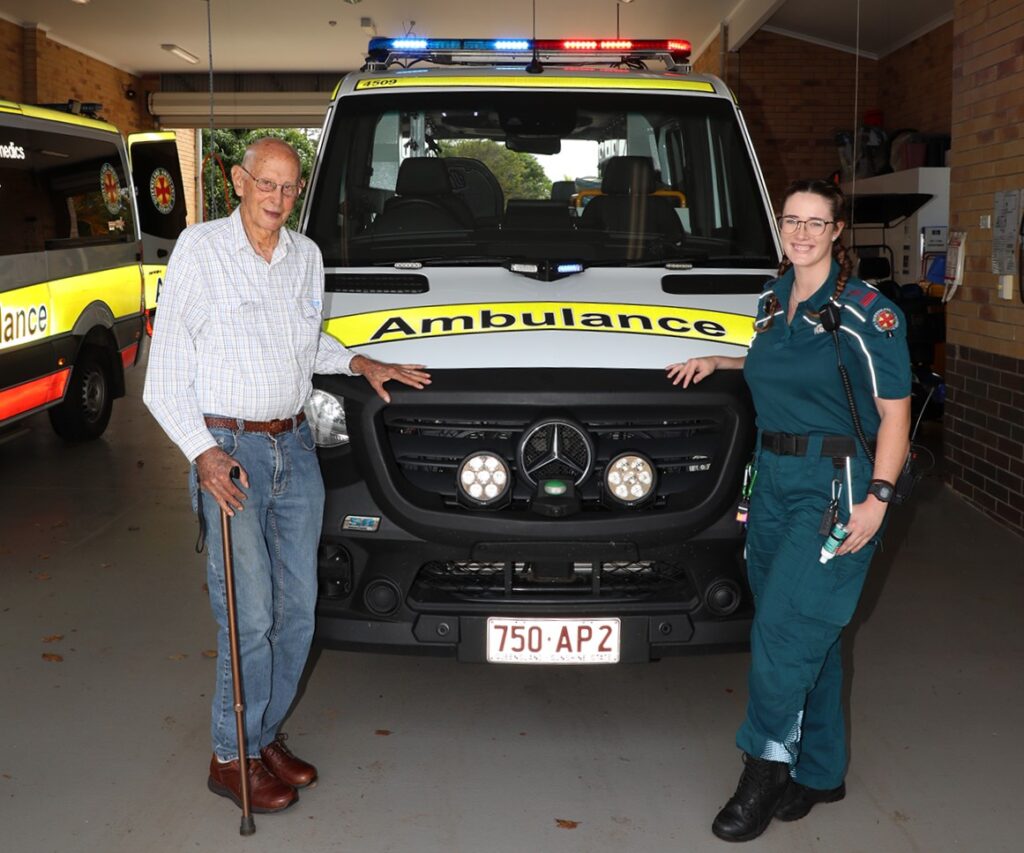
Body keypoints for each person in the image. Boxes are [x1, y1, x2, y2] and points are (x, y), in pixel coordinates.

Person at [144, 137, 430, 814]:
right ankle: (228, 753)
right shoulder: (201, 250)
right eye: (265, 184)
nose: (277, 198)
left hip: (295, 449)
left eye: (289, 187)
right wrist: (201, 452)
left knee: (298, 611)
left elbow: (303, 343)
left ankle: (263, 732)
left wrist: (360, 363)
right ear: (239, 182)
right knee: (248, 616)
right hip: (229, 454)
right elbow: (164, 377)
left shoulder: (306, 258)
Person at [667, 179, 910, 842]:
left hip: (836, 483)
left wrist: (879, 499)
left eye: (815, 222)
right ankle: (822, 770)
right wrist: (718, 359)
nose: (801, 232)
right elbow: (774, 364)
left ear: (837, 232)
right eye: (791, 220)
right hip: (770, 478)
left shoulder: (869, 312)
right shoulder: (774, 300)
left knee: (781, 630)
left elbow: (895, 414)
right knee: (811, 630)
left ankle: (764, 766)